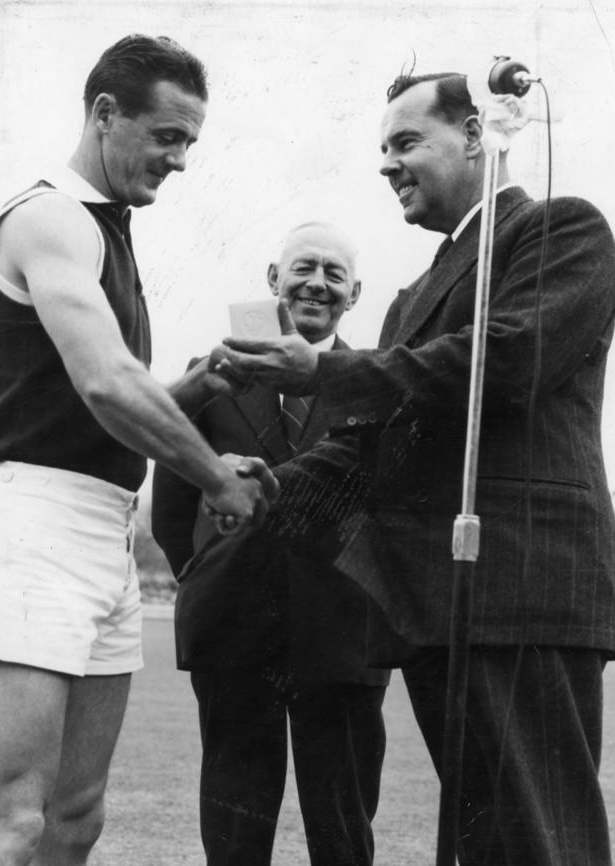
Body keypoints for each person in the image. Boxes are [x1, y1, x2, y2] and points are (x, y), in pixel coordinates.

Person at [216, 73, 615, 865]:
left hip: (523, 591)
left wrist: (325, 373)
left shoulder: (563, 231)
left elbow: (501, 364)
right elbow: (365, 448)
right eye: (382, 149)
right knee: (493, 845)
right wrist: (261, 486)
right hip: (440, 608)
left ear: (474, 135)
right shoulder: (412, 297)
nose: (388, 165)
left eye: (405, 142)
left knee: (540, 842)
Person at [0, 34, 277, 866]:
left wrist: (205, 386)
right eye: (167, 135)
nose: (180, 159)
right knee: (8, 827)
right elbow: (107, 383)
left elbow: (91, 412)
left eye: (191, 142)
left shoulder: (110, 229)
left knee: (76, 820)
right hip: (26, 524)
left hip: (99, 528)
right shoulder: (47, 216)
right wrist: (212, 472)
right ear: (106, 115)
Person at [151, 221, 390, 866]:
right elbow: (171, 510)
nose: (316, 283)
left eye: (333, 274)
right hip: (231, 627)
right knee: (233, 827)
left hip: (343, 633)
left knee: (342, 829)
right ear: (273, 280)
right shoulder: (212, 378)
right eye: (303, 268)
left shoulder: (375, 381)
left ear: (355, 292)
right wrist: (209, 572)